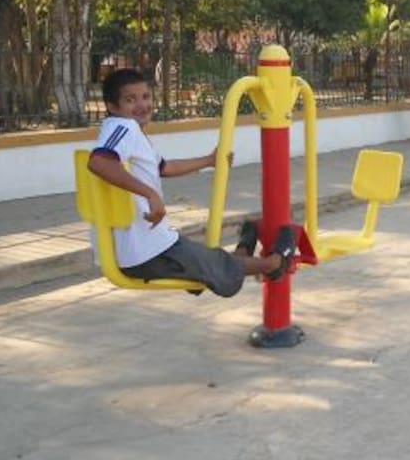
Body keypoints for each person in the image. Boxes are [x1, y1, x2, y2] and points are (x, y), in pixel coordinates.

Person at [87, 68, 296, 296]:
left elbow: (165, 168)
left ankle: (242, 255)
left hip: (145, 246)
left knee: (210, 260)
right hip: (145, 252)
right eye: (130, 99)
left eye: (146, 97)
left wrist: (208, 160)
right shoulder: (122, 127)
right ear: (112, 106)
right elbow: (99, 162)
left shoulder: (130, 133)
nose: (142, 105)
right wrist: (150, 194)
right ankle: (273, 264)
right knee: (213, 263)